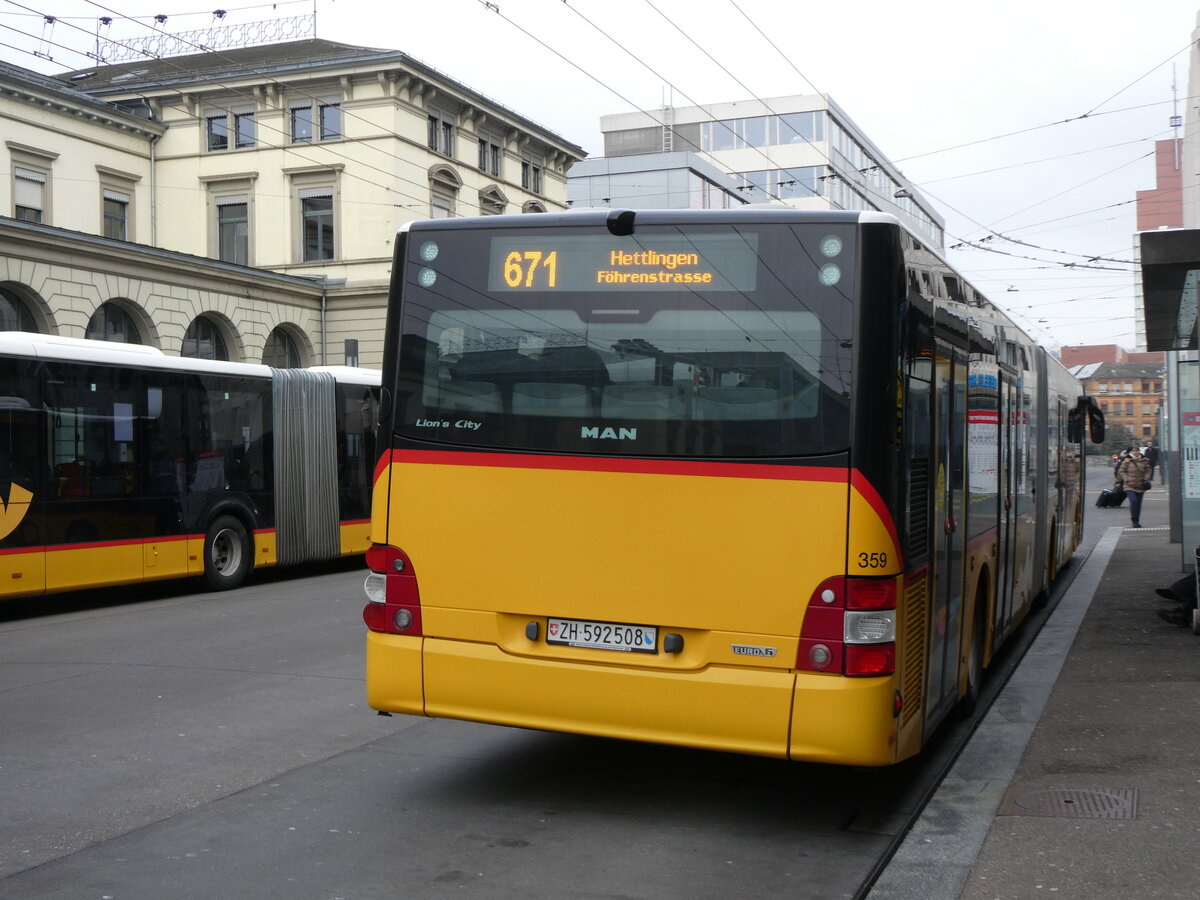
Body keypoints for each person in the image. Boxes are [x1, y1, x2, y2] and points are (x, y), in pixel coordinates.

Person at [1116, 446, 1152, 528]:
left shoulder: (1144, 461)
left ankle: (1136, 521)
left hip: (1140, 485)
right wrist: (1126, 478)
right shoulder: (1127, 461)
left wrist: (1146, 478)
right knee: (1133, 500)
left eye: (1137, 451)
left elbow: (1148, 470)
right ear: (1131, 452)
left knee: (1138, 504)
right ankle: (1133, 519)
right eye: (1133, 451)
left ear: (1139, 452)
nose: (1135, 452)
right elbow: (1121, 471)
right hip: (1129, 485)